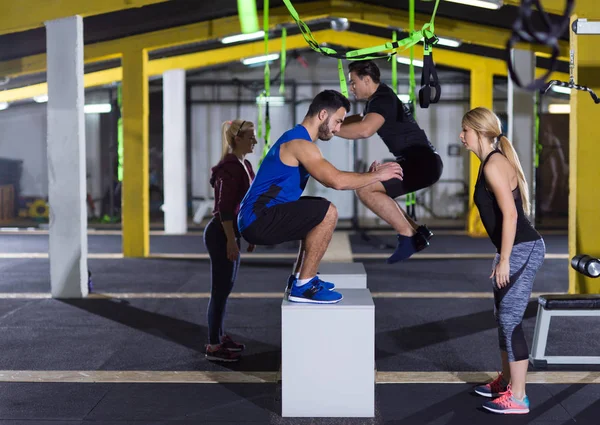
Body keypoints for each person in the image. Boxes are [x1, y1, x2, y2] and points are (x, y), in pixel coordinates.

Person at [238, 90, 403, 304]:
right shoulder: (300, 144)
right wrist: (376, 176)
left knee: (319, 208)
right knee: (327, 212)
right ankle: (304, 286)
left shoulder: (297, 139)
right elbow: (336, 181)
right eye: (337, 121)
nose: (337, 129)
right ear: (323, 114)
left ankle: (299, 278)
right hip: (257, 219)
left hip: (256, 217)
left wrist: (370, 177)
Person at [460, 107, 545, 414]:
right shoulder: (490, 163)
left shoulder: (494, 165)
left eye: (465, 130)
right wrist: (501, 255)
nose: (461, 136)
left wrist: (505, 258)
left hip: (523, 247)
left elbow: (510, 214)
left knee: (510, 320)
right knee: (503, 317)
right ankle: (505, 382)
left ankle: (519, 397)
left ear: (480, 132)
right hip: (513, 247)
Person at [335, 60, 444, 264]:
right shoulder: (378, 99)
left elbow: (365, 129)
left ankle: (407, 237)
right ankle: (417, 232)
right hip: (422, 161)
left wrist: (332, 130)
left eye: (353, 82)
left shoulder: (382, 99)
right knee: (376, 189)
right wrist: (333, 122)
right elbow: (360, 118)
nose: (351, 88)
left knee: (365, 189)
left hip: (422, 162)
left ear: (366, 80)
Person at [204, 119, 257, 362]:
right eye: (250, 137)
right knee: (220, 290)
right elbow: (224, 209)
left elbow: (246, 203)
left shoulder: (244, 165)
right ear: (237, 140)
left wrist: (247, 234)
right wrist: (231, 241)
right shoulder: (229, 167)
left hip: (231, 232)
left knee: (225, 289)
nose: (254, 141)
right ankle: (214, 345)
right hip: (220, 233)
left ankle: (219, 335)